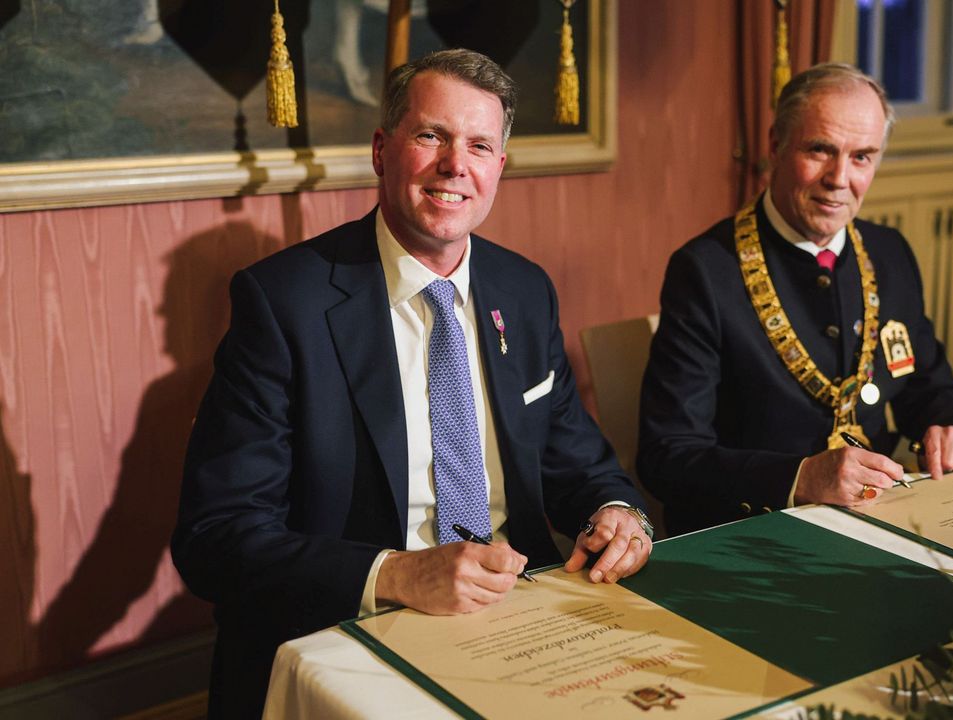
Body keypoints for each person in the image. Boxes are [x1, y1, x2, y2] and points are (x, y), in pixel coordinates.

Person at [172, 49, 654, 718]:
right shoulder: (285, 305)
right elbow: (215, 537)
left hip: (524, 616)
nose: (456, 165)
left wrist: (617, 512)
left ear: (499, 169)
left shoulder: (524, 291)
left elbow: (576, 461)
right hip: (358, 626)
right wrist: (395, 573)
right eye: (432, 136)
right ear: (381, 150)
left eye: (480, 145)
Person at [638, 63, 953, 537]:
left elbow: (925, 382)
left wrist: (950, 428)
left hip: (881, 520)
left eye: (862, 157)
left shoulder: (889, 252)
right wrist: (799, 478)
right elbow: (667, 454)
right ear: (776, 144)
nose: (839, 178)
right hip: (754, 531)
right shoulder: (705, 270)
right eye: (820, 150)